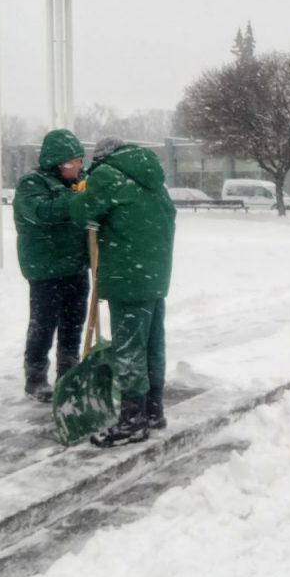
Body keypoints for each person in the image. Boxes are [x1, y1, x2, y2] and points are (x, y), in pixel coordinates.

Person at [70, 137, 176, 447]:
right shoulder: (153, 179)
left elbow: (82, 212)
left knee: (129, 349)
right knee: (152, 345)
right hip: (154, 274)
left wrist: (80, 192)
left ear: (103, 158)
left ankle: (133, 420)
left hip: (128, 276)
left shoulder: (107, 175)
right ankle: (153, 410)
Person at [13, 129, 89, 403]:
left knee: (74, 322)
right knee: (43, 324)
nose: (80, 167)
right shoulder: (31, 184)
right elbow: (42, 213)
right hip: (46, 269)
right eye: (75, 162)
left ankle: (68, 374)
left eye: (80, 161)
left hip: (76, 267)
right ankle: (35, 378)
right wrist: (78, 198)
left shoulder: (79, 184)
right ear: (59, 162)